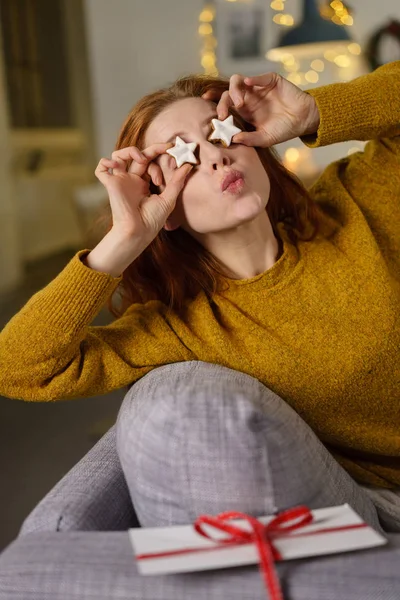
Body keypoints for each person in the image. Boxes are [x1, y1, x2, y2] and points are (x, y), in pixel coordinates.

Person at [0, 60, 400, 547]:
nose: (216, 157)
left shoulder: (354, 203)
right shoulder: (179, 327)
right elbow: (17, 367)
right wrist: (125, 238)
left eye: (224, 134)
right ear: (163, 207)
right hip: (365, 504)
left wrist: (313, 110)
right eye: (182, 159)